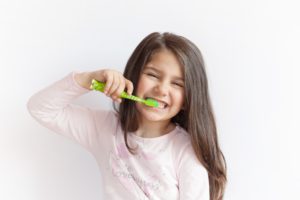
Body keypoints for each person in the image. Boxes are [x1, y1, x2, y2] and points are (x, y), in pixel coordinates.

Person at [27, 32, 227, 200]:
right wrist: (87, 79)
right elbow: (41, 109)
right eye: (153, 75)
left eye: (177, 84)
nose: (162, 89)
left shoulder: (187, 151)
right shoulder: (104, 128)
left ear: (188, 98)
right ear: (133, 76)